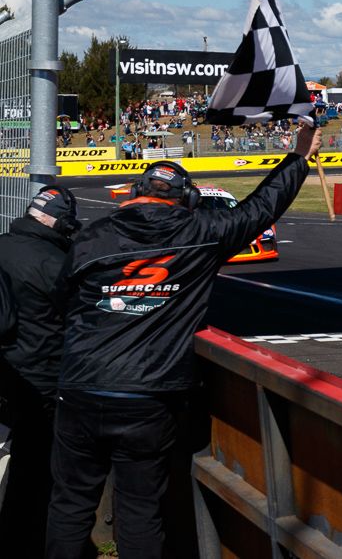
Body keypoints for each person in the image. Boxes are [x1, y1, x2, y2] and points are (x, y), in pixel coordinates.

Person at [46, 124, 321, 557]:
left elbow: (60, 299)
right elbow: (261, 208)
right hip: (149, 396)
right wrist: (298, 156)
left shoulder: (91, 236)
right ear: (188, 199)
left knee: (70, 504)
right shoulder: (202, 232)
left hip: (80, 387)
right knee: (139, 511)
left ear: (138, 190)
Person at [0, 185, 81, 556]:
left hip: (8, 371)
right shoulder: (55, 263)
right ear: (60, 222)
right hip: (40, 378)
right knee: (36, 468)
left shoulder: (3, 244)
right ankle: (26, 540)